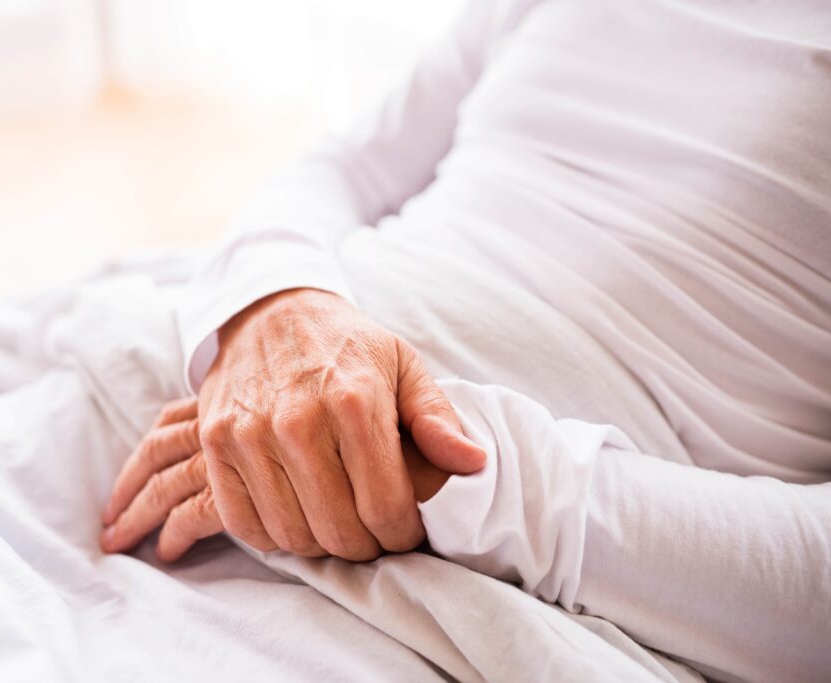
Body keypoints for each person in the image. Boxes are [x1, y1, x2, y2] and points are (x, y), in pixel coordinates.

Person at [100, 0, 831, 680]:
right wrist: (276, 302)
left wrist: (456, 474)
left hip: (508, 593)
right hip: (219, 396)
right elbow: (346, 165)